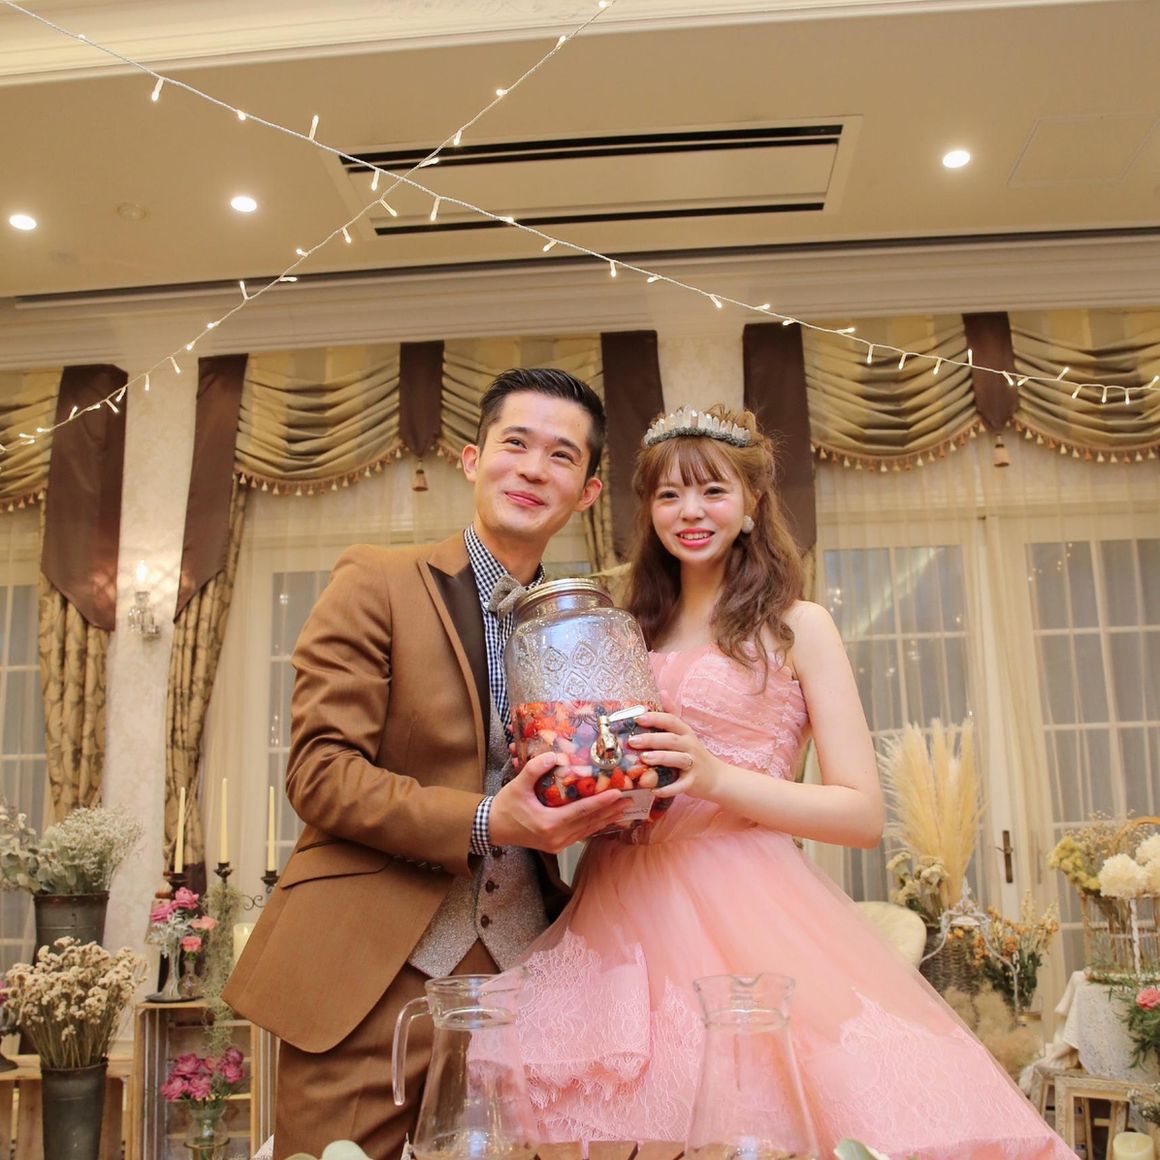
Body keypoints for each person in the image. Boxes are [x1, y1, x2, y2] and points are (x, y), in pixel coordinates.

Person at [512, 404, 1076, 1159]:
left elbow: (860, 814)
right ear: (647, 510)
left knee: (760, 1121)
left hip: (745, 901)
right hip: (613, 899)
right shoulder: (621, 625)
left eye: (713, 490)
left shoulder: (796, 626)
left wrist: (714, 776)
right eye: (669, 494)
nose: (690, 512)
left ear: (751, 503)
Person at [223, 368, 631, 1160]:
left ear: (587, 492)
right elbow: (319, 772)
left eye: (561, 455)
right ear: (473, 460)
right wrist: (485, 818)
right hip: (368, 974)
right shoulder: (377, 580)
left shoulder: (588, 624)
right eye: (515, 444)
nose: (533, 468)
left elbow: (590, 774)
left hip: (526, 976)